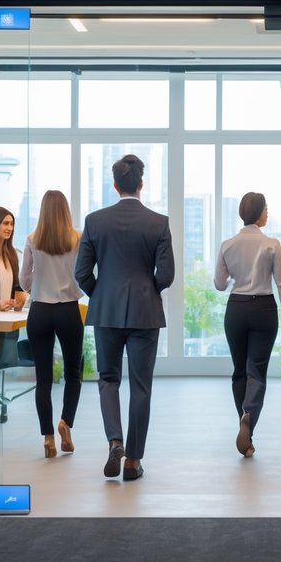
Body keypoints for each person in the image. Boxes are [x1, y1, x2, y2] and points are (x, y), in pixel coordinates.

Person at [74, 154, 175, 481]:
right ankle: (133, 461)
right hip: (145, 313)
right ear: (141, 184)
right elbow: (167, 275)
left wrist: (101, 294)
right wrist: (148, 289)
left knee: (108, 379)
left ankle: (114, 441)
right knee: (141, 386)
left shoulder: (94, 221)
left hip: (106, 311)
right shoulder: (158, 223)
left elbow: (81, 273)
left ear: (115, 185)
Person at [213, 192, 281, 458]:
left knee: (239, 371)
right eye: (266, 208)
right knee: (257, 372)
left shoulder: (227, 244)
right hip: (263, 309)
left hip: (236, 309)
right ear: (258, 212)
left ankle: (245, 427)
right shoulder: (271, 244)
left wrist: (236, 279)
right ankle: (249, 417)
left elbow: (219, 284)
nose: (268, 213)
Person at [20, 190, 85, 460]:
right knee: (73, 372)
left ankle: (48, 436)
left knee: (43, 378)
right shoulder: (77, 238)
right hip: (69, 310)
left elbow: (24, 281)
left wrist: (41, 278)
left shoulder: (33, 239)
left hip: (40, 312)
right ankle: (65, 423)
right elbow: (83, 274)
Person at [0, 206, 26, 313]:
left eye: (11, 224)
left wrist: (17, 303)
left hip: (7, 318)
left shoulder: (12, 255)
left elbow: (15, 288)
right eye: (5, 223)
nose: (10, 228)